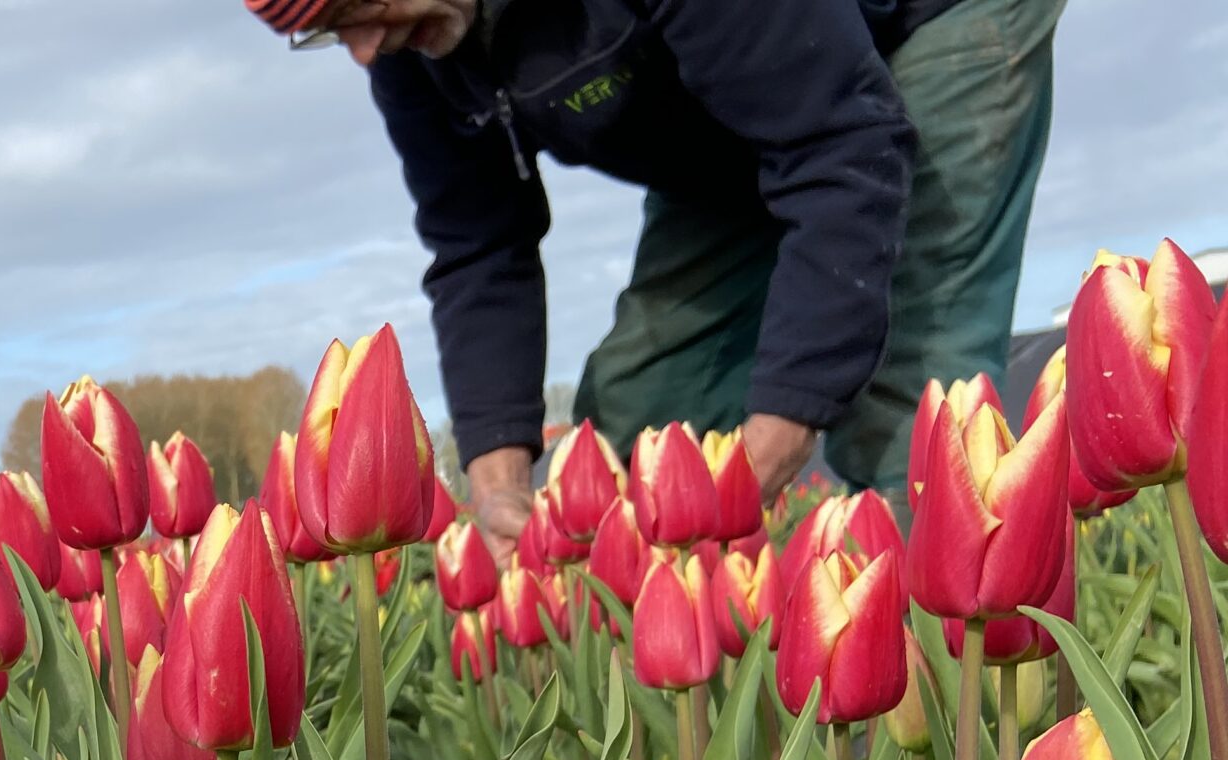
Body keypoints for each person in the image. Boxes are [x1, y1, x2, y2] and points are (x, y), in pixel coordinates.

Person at [247, 0, 1063, 552]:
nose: (362, 48)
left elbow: (838, 150)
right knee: (639, 424)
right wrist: (497, 478)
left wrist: (781, 428)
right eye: (326, 34)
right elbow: (477, 245)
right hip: (740, 121)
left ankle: (950, 724)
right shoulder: (411, 48)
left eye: (352, 8)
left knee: (915, 409)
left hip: (927, 25)